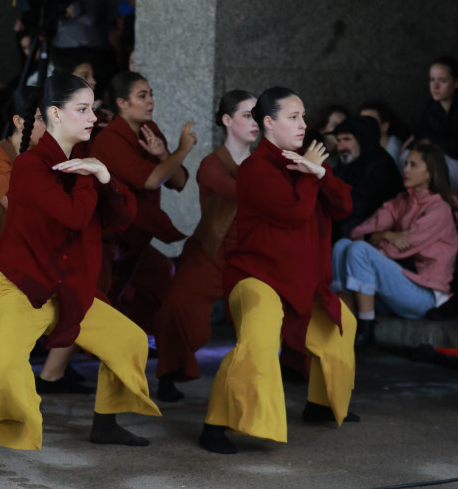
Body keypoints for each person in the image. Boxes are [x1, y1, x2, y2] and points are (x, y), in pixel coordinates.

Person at [0, 74, 161, 485]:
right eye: (82, 109)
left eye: (93, 107)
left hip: (66, 288)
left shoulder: (86, 163)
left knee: (129, 340)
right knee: (7, 363)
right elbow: (75, 216)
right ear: (54, 114)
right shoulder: (28, 165)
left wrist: (104, 177)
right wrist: (91, 175)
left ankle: (105, 423)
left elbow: (122, 217)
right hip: (19, 285)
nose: (92, 116)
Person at [199, 86, 358, 455]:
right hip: (255, 278)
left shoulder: (307, 161)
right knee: (258, 342)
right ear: (269, 123)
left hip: (298, 277)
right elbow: (295, 213)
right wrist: (311, 175)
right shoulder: (254, 169)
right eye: (293, 117)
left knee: (340, 326)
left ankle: (319, 406)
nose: (303, 124)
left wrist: (319, 173)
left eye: (303, 116)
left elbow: (344, 205)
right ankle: (215, 425)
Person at [0, 85, 91, 398]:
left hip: (21, 261)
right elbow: (24, 212)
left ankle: (34, 383)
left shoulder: (54, 158)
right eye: (43, 118)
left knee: (89, 302)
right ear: (18, 121)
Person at [153, 91, 257, 402]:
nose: (255, 122)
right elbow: (247, 193)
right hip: (211, 251)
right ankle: (169, 374)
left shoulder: (263, 162)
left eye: (258, 115)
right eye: (247, 115)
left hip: (252, 255)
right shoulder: (213, 164)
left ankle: (289, 370)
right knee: (177, 307)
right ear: (227, 120)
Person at [89, 72, 196, 337]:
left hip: (136, 236)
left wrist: (164, 155)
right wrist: (182, 150)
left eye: (151, 95)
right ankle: (56, 370)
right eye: (142, 96)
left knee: (161, 275)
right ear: (122, 103)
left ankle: (145, 341)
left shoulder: (150, 130)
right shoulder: (110, 139)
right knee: (97, 299)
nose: (150, 101)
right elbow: (151, 180)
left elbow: (179, 180)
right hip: (105, 237)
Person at [332, 142, 458, 348]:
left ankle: (366, 326)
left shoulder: (439, 209)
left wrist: (376, 245)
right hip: (397, 288)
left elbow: (396, 250)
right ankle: (342, 318)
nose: (405, 169)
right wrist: (386, 234)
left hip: (424, 296)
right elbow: (358, 232)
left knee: (358, 250)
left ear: (430, 174)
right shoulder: (401, 201)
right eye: (406, 163)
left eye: (413, 165)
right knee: (342, 245)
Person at [331, 116, 404, 239]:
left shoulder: (381, 165)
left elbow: (361, 205)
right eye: (338, 141)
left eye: (347, 139)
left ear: (363, 140)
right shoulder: (345, 163)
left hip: (374, 226)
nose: (340, 147)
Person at [405, 56, 458, 188]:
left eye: (442, 81)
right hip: (442, 154)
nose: (435, 86)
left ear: (456, 82)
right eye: (432, 80)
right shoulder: (433, 105)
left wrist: (430, 140)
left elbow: (455, 147)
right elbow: (420, 130)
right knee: (407, 155)